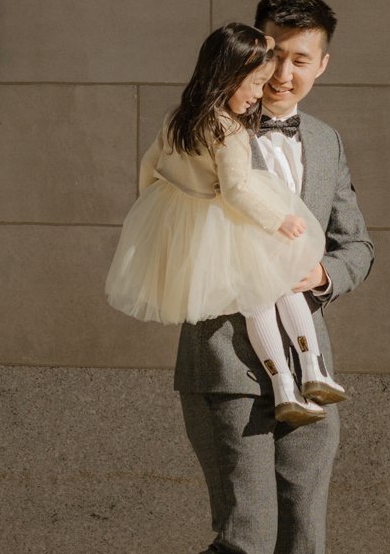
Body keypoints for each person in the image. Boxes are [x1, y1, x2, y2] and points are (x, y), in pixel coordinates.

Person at [87, 0, 374, 554]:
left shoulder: (325, 139)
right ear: (253, 50)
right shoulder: (207, 123)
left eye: (302, 59)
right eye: (274, 54)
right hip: (224, 363)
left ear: (323, 64)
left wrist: (325, 274)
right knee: (248, 541)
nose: (285, 73)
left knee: (302, 544)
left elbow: (358, 245)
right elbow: (160, 211)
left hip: (308, 366)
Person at [103, 21, 345, 425]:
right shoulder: (229, 130)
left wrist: (154, 212)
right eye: (253, 84)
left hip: (187, 219)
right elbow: (236, 191)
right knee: (276, 289)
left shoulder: (178, 118)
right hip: (229, 219)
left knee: (256, 302)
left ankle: (289, 387)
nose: (257, 96)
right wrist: (278, 220)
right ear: (227, 78)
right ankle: (310, 370)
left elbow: (149, 166)